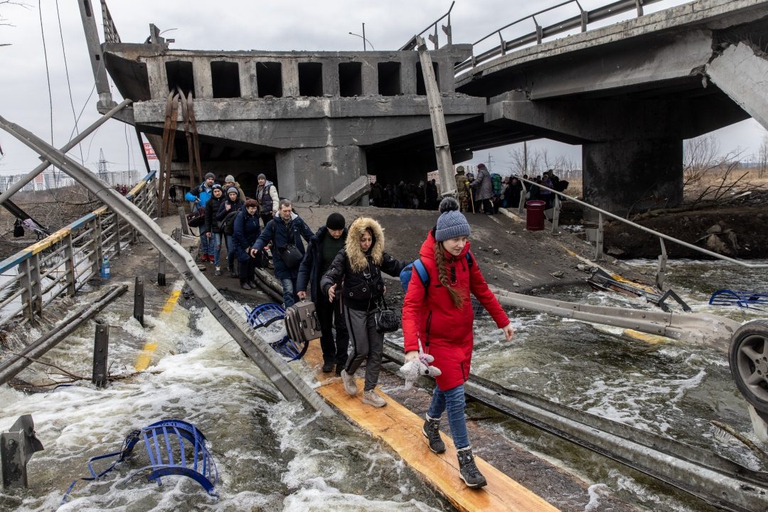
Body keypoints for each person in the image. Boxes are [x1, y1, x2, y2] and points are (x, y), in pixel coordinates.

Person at [401, 197, 514, 488]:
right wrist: (411, 349)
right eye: (455, 239)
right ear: (442, 238)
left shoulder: (467, 259)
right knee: (456, 396)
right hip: (437, 342)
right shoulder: (424, 267)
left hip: (463, 338)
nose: (461, 244)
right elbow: (410, 308)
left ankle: (430, 424)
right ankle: (466, 460)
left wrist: (502, 320)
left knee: (449, 384)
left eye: (464, 238)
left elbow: (482, 289)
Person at [320, 217, 406, 408]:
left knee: (376, 351)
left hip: (375, 308)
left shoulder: (377, 254)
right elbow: (330, 274)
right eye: (363, 240)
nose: (366, 243)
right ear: (355, 239)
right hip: (354, 309)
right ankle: (348, 372)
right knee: (361, 349)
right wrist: (328, 286)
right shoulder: (345, 255)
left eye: (369, 239)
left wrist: (421, 265)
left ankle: (369, 392)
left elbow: (397, 267)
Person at [296, 213, 349, 374]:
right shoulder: (317, 241)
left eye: (340, 230)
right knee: (324, 326)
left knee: (342, 327)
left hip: (342, 291)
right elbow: (306, 265)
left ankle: (342, 361)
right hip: (322, 290)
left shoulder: (349, 240)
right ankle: (329, 358)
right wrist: (301, 287)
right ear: (328, 228)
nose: (337, 233)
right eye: (334, 230)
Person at [249, 199, 314, 307]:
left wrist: (318, 247)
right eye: (285, 211)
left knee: (298, 290)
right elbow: (263, 237)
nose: (287, 213)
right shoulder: (273, 224)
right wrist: (256, 247)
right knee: (288, 290)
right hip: (281, 261)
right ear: (279, 210)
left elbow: (309, 236)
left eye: (289, 211)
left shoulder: (297, 222)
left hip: (297, 260)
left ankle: (297, 311)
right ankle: (289, 312)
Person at [185, 172, 217, 262]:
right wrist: (194, 198)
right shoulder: (199, 189)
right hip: (202, 216)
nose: (210, 181)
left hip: (212, 215)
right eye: (209, 179)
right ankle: (205, 253)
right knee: (203, 236)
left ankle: (211, 254)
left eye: (212, 179)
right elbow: (187, 195)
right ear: (205, 180)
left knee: (212, 236)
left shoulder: (216, 189)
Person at [232, 199, 262, 290]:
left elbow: (258, 229)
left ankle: (251, 279)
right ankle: (243, 281)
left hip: (252, 241)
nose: (253, 210)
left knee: (252, 261)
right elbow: (238, 232)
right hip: (240, 242)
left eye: (255, 208)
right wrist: (245, 246)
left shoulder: (255, 216)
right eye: (251, 208)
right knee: (244, 260)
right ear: (247, 208)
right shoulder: (241, 216)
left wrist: (258, 242)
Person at [217, 187, 244, 278]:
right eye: (230, 194)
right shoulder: (225, 203)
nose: (232, 196)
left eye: (234, 194)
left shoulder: (241, 203)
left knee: (240, 250)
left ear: (237, 195)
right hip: (229, 231)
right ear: (228, 195)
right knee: (231, 250)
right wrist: (226, 210)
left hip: (240, 230)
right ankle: (231, 268)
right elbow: (218, 217)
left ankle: (240, 269)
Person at [204, 184, 226, 276]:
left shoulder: (226, 200)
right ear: (213, 193)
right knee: (217, 246)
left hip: (226, 226)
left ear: (221, 191)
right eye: (215, 192)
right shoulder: (209, 202)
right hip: (215, 227)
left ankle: (231, 266)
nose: (217, 193)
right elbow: (207, 217)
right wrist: (208, 230)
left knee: (230, 247)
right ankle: (217, 266)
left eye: (218, 191)